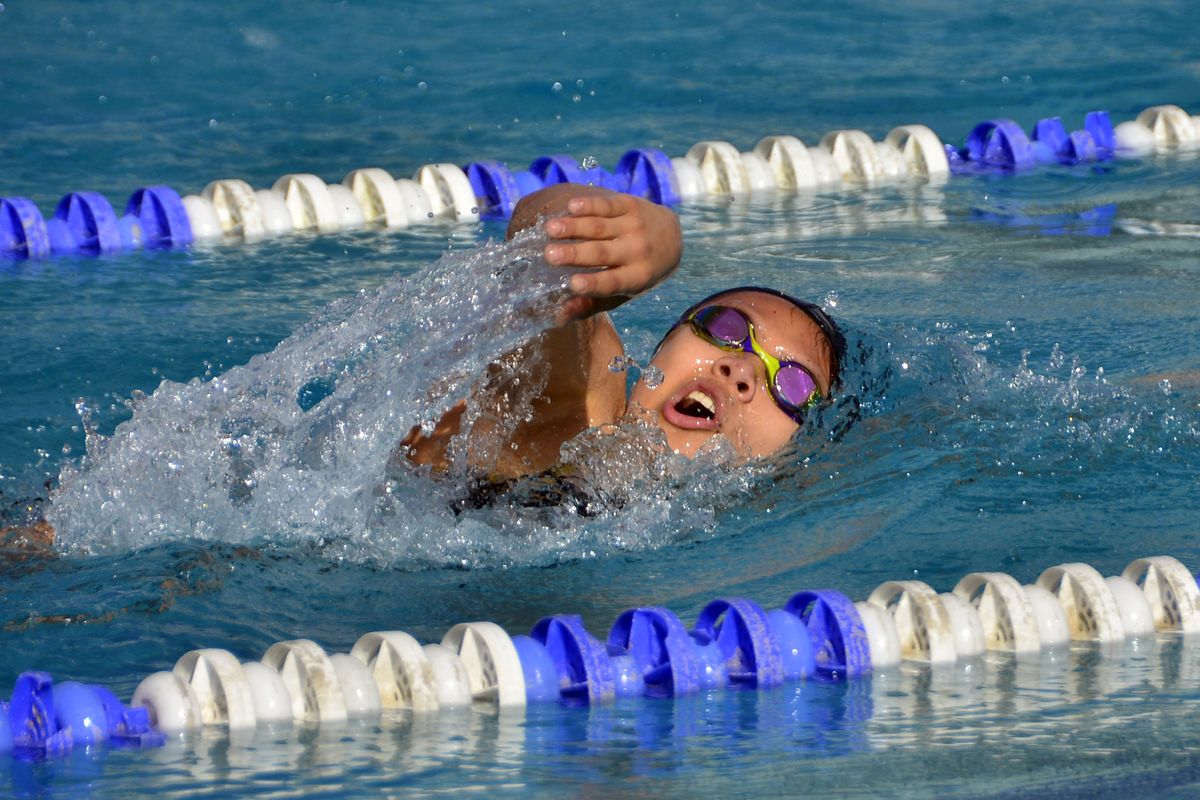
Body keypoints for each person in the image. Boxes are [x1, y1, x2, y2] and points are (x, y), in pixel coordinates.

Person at [401, 183, 845, 487]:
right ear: (660, 352)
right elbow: (537, 258)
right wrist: (642, 234)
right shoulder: (589, 408)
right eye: (725, 328)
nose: (741, 367)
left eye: (792, 384)